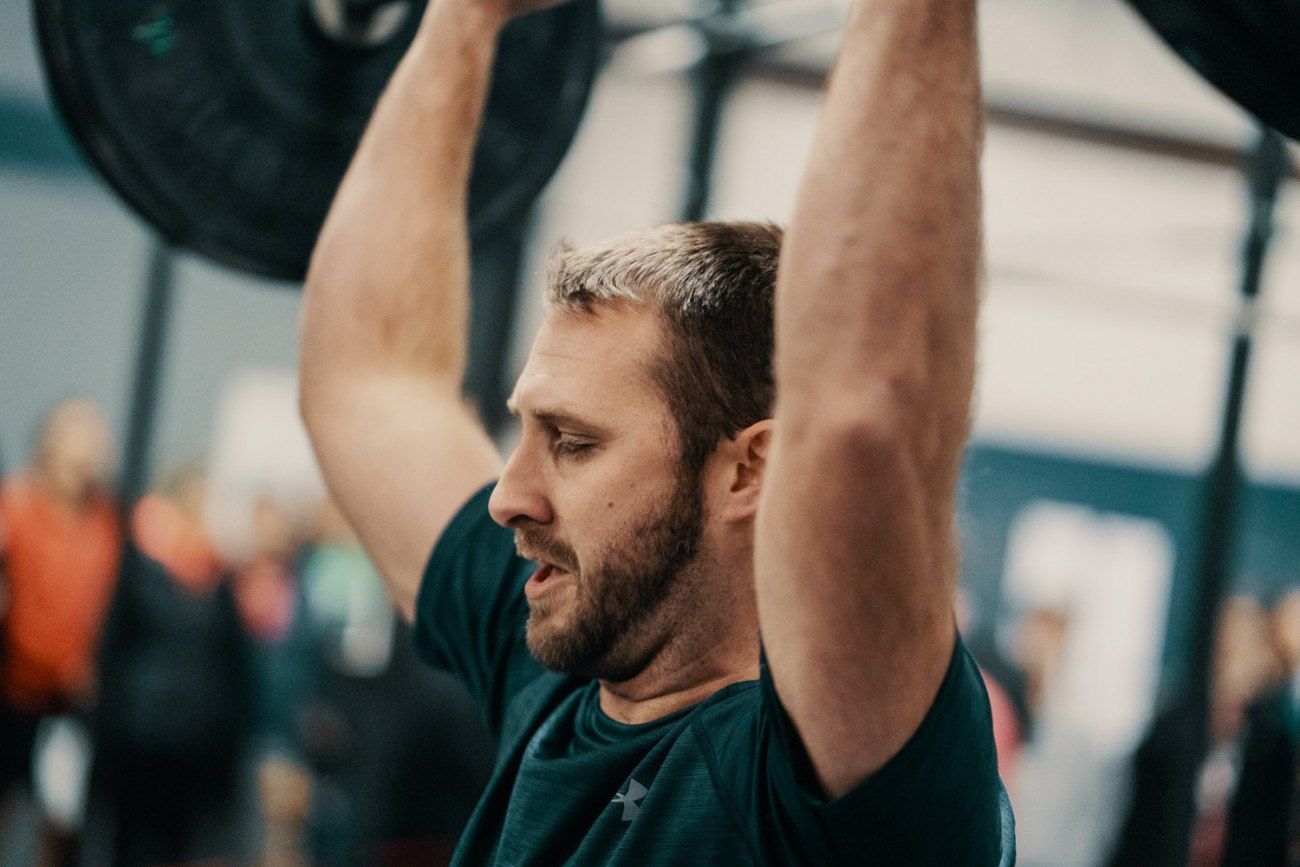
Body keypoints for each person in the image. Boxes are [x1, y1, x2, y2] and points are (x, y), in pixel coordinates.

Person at [299, 0, 1008, 863]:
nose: (508, 498)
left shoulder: (821, 784)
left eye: (573, 442)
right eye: (525, 430)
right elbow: (367, 381)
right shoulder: (564, 655)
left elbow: (867, 415)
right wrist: (464, 20)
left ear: (751, 469)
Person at [0, 399, 121, 859]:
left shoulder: (111, 522)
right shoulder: (14, 506)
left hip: (76, 699)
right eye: (81, 432)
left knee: (65, 821)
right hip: (13, 691)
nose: (94, 444)